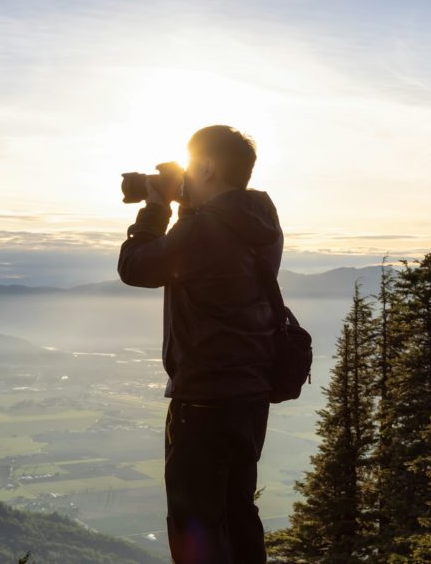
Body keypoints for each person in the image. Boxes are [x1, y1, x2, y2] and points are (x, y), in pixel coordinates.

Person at [118, 125, 283, 563]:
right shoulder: (261, 217)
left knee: (195, 522)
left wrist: (156, 207)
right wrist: (187, 201)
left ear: (207, 166)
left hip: (204, 399)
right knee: (237, 511)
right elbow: (212, 244)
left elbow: (135, 267)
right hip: (250, 395)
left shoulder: (201, 233)